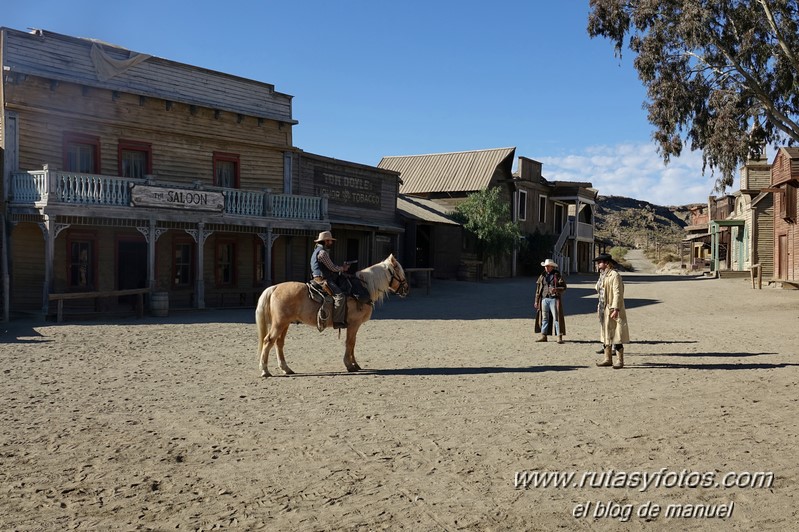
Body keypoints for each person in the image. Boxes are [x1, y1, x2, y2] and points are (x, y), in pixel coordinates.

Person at [593, 253, 630, 369]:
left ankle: (620, 360)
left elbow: (618, 293)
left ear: (607, 263)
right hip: (604, 307)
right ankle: (607, 358)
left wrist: (616, 308)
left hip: (612, 308)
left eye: (600, 262)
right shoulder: (602, 275)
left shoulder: (615, 275)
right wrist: (599, 305)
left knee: (616, 334)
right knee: (605, 334)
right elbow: (599, 290)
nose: (598, 264)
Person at [310, 230, 350, 328]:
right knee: (340, 297)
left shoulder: (316, 251)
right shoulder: (323, 253)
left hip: (316, 277)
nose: (331, 243)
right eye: (330, 241)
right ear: (326, 241)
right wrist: (343, 268)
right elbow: (332, 268)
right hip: (323, 279)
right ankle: (337, 322)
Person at [534, 258, 567, 343]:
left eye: (548, 266)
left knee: (557, 318)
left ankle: (559, 336)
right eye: (545, 266)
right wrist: (536, 301)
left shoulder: (557, 275)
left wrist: (556, 289)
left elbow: (564, 287)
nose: (546, 267)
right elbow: (538, 290)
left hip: (554, 299)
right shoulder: (542, 276)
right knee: (544, 318)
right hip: (544, 299)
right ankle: (543, 335)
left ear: (552, 267)